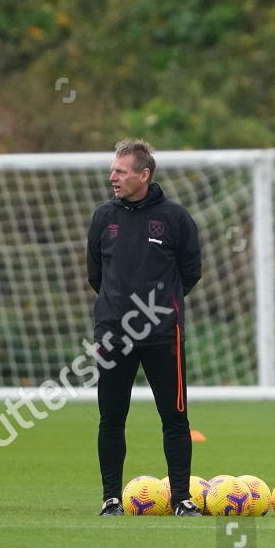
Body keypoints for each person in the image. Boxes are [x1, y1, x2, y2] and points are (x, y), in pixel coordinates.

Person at [87, 138, 203, 517]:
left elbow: (190, 271)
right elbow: (95, 274)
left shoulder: (175, 217)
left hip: (164, 336)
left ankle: (182, 499)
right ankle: (110, 498)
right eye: (112, 170)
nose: (112, 178)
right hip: (113, 335)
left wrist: (159, 308)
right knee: (111, 418)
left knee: (174, 417)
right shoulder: (104, 217)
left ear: (144, 174)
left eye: (120, 171)